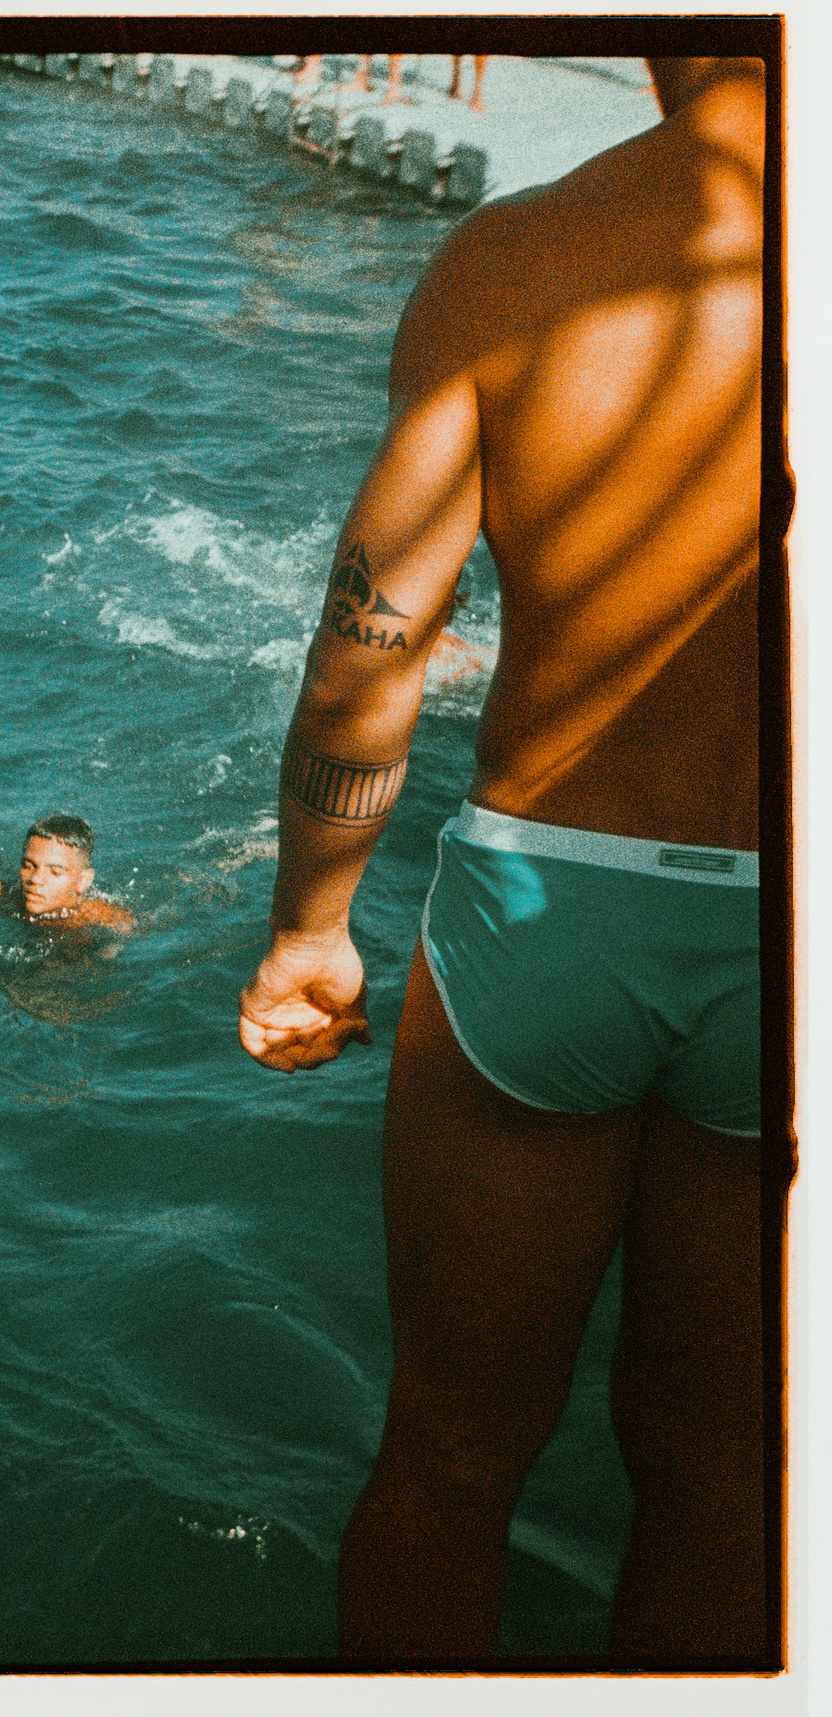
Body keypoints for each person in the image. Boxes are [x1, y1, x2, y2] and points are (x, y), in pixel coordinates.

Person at [236, 58, 768, 1661]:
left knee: (453, 1458)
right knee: (730, 1475)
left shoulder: (524, 259)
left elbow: (363, 662)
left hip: (553, 892)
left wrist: (308, 929)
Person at [0, 814, 136, 934]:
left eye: (55, 872)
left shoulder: (103, 920)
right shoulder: (11, 898)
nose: (35, 880)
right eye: (28, 865)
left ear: (83, 880)